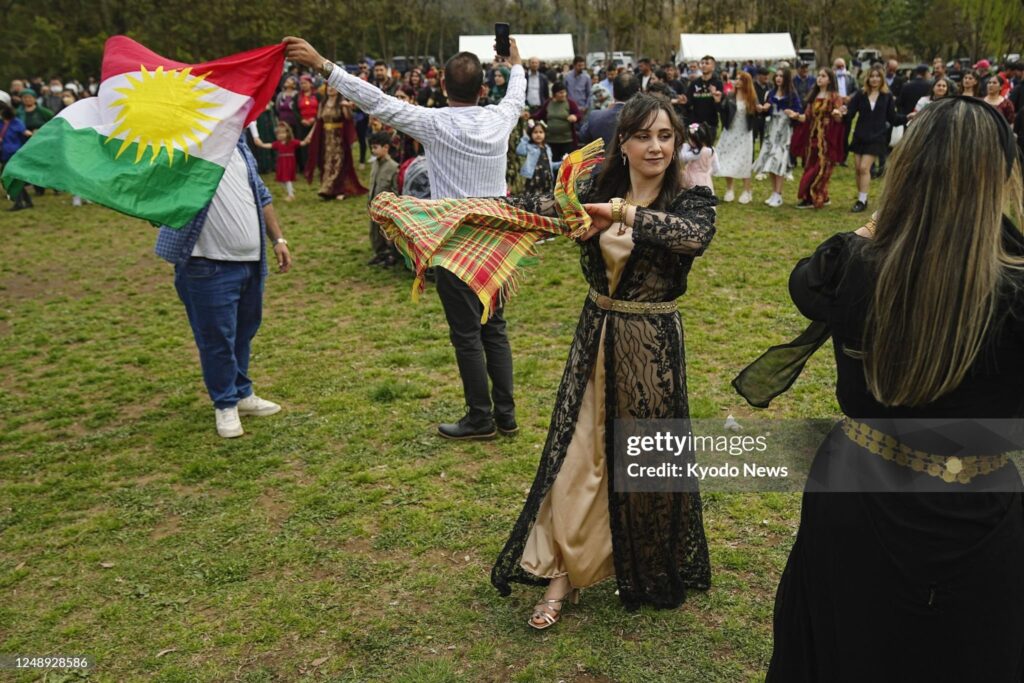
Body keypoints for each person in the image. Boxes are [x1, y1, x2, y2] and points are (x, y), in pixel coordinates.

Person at [739, 96, 1024, 683]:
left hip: (862, 486)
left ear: (906, 170)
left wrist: (880, 222)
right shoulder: (1014, 291)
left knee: (847, 646)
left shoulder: (856, 263)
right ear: (1000, 176)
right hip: (971, 499)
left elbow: (806, 282)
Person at [490, 93, 715, 626]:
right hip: (597, 336)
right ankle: (560, 575)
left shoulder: (691, 196)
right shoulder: (594, 187)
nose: (656, 146)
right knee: (579, 457)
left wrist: (616, 214)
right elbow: (537, 211)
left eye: (666, 136)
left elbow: (692, 238)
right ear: (624, 142)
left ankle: (637, 563)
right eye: (644, 136)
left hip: (650, 346)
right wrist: (471, 214)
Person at [284, 35, 527, 439]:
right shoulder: (500, 118)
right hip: (495, 241)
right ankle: (506, 415)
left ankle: (481, 418)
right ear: (483, 89)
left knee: (467, 333)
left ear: (444, 88)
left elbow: (377, 101)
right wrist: (515, 62)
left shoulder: (433, 122)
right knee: (494, 327)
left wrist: (324, 64)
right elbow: (516, 94)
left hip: (453, 240)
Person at [154, 138, 293, 438]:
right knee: (217, 338)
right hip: (206, 265)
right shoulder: (185, 147)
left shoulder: (239, 144)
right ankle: (225, 403)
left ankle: (242, 393)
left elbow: (261, 194)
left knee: (244, 331)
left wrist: (278, 239)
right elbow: (158, 191)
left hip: (251, 262)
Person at [842, 66, 906, 213]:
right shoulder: (860, 94)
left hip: (877, 137)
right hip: (860, 136)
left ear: (882, 79)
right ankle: (862, 196)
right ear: (868, 78)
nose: (875, 79)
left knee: (865, 168)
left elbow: (893, 118)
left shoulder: (887, 96)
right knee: (858, 169)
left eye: (878, 76)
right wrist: (841, 114)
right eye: (872, 76)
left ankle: (861, 200)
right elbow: (850, 113)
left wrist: (907, 117)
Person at [788, 68, 845, 209]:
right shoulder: (814, 97)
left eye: (823, 76)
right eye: (818, 76)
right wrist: (795, 115)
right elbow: (806, 117)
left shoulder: (834, 97)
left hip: (827, 139)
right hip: (812, 138)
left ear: (830, 79)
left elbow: (839, 116)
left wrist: (837, 113)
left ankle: (817, 195)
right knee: (810, 167)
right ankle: (809, 196)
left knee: (823, 167)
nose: (819, 78)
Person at [303, 85, 367, 201]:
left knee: (339, 163)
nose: (330, 89)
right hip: (326, 138)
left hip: (339, 138)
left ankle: (339, 189)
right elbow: (318, 122)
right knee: (326, 163)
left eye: (333, 87)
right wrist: (310, 136)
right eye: (329, 87)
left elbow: (348, 118)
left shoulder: (341, 102)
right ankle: (327, 188)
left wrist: (347, 107)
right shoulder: (323, 103)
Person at [753, 68, 802, 207]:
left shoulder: (792, 95)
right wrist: (763, 109)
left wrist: (792, 113)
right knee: (769, 162)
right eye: (777, 76)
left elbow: (799, 112)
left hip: (784, 131)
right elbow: (766, 111)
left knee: (779, 161)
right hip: (771, 130)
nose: (778, 78)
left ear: (786, 78)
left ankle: (779, 195)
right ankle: (774, 193)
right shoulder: (772, 93)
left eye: (781, 76)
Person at [713, 71, 757, 204]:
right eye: (736, 79)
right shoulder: (730, 96)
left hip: (744, 133)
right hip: (731, 131)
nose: (737, 81)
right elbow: (722, 111)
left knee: (744, 161)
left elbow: (756, 114)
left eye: (740, 79)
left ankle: (747, 190)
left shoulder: (751, 97)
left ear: (746, 82)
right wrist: (717, 102)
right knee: (728, 159)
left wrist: (760, 110)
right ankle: (729, 189)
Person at [250, 122, 312, 201]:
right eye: (279, 134)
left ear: (288, 133)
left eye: (283, 133)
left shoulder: (292, 142)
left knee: (287, 179)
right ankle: (290, 189)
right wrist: (261, 144)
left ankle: (291, 195)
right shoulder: (277, 144)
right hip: (281, 163)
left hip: (289, 163)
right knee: (282, 180)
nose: (281, 135)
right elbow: (269, 145)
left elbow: (302, 143)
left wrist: (307, 140)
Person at [579, 72, 640, 150]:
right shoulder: (645, 116)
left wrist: (607, 111)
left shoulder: (595, 116)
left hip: (605, 161)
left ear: (613, 92)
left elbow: (583, 136)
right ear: (639, 92)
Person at [367, 131, 400, 267]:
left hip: (386, 208)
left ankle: (390, 256)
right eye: (372, 148)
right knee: (374, 232)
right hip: (373, 206)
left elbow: (395, 190)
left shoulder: (393, 167)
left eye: (376, 147)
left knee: (387, 234)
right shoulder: (375, 164)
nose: (373, 151)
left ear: (386, 147)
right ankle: (379, 253)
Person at [531, 82, 582, 161]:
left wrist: (575, 117)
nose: (563, 94)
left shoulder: (570, 103)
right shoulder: (548, 103)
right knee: (553, 162)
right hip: (551, 140)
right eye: (560, 93)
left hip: (567, 141)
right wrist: (530, 116)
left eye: (564, 92)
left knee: (566, 164)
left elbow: (578, 114)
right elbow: (539, 115)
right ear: (555, 94)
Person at [1, 99, 32, 210]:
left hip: (14, 155)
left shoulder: (16, 123)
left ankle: (19, 203)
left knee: (12, 179)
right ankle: (27, 202)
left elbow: (26, 134)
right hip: (5, 155)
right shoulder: (2, 123)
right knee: (15, 179)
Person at [683, 55, 724, 137]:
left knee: (708, 149)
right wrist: (684, 101)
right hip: (695, 123)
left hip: (711, 124)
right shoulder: (694, 83)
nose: (704, 65)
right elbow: (688, 102)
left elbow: (720, 108)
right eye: (702, 63)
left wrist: (716, 99)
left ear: (713, 67)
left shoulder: (717, 83)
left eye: (707, 63)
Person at [516, 119, 558, 194]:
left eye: (541, 132)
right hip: (533, 180)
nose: (538, 134)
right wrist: (525, 137)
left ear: (545, 134)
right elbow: (519, 151)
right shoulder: (530, 147)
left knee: (546, 201)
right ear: (530, 134)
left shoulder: (547, 148)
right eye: (535, 132)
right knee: (532, 200)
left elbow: (550, 164)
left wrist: (562, 163)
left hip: (546, 180)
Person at [680, 121, 718, 192]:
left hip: (693, 180)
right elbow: (716, 168)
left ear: (694, 140)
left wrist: (685, 146)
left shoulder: (696, 153)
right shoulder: (712, 150)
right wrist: (707, 173)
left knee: (693, 199)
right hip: (706, 180)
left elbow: (682, 157)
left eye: (689, 139)